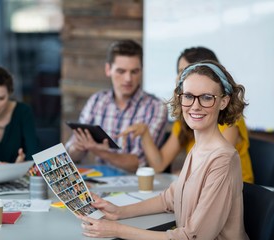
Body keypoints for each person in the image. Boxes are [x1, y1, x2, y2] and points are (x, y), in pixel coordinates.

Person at [79, 60, 249, 239]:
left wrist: (116, 230)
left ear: (223, 102)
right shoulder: (199, 149)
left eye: (207, 97)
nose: (195, 106)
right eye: (188, 96)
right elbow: (169, 199)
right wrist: (119, 212)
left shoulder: (223, 159)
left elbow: (193, 237)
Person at [120, 47, 254, 183]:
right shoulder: (188, 117)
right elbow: (159, 165)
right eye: (180, 72)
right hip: (198, 185)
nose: (181, 77)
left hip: (238, 190)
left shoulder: (229, 120)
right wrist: (145, 133)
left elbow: (213, 167)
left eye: (188, 70)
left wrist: (182, 175)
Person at [66, 39, 168, 173]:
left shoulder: (156, 107)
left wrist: (98, 150)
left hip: (139, 185)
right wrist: (78, 147)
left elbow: (139, 163)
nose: (128, 79)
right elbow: (71, 154)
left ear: (141, 71)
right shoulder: (96, 101)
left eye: (134, 72)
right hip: (101, 180)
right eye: (121, 71)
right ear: (108, 70)